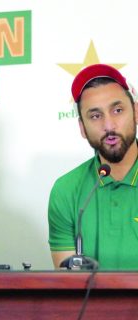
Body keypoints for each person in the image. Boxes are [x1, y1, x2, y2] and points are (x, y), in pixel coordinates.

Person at [48, 64, 138, 270]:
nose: (109, 125)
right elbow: (70, 287)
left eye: (117, 110)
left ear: (136, 112)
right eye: (95, 116)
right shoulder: (66, 190)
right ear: (82, 128)